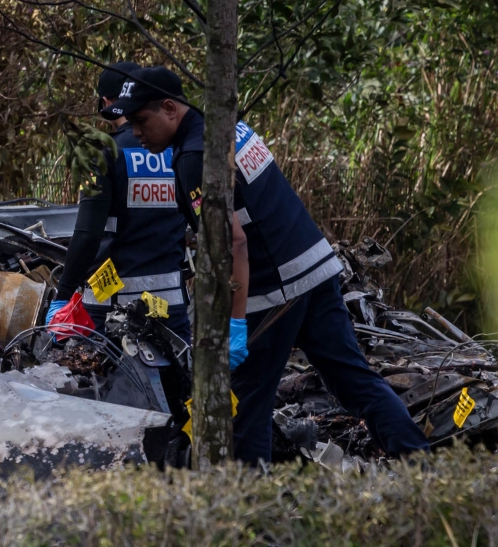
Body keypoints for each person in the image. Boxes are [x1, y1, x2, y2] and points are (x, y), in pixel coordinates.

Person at [102, 65, 430, 463]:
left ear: (170, 108)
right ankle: (422, 468)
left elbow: (233, 242)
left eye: (141, 120)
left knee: (245, 406)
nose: (135, 131)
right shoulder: (228, 127)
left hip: (274, 289)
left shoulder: (194, 157)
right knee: (354, 381)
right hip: (314, 265)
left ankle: (251, 497)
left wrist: (235, 323)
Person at [45, 62, 192, 344]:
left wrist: (62, 296)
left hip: (113, 310)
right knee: (176, 373)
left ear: (106, 103)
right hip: (170, 306)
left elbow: (87, 235)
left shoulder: (102, 154)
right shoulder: (180, 150)